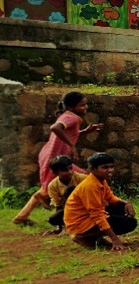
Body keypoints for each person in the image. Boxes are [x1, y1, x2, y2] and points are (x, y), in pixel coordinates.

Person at [13, 91, 100, 225]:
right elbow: (55, 128)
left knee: (50, 187)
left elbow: (68, 133)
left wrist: (85, 132)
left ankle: (22, 216)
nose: (86, 107)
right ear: (71, 107)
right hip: (55, 157)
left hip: (51, 155)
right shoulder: (71, 117)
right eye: (82, 105)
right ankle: (76, 215)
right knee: (83, 178)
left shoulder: (69, 116)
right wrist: (71, 145)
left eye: (86, 104)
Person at [63, 152, 137, 250]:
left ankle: (95, 236)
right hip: (80, 224)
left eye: (111, 167)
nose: (110, 170)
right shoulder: (90, 186)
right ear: (93, 169)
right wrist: (115, 239)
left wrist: (126, 203)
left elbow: (110, 197)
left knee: (121, 208)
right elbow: (97, 214)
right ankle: (83, 236)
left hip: (89, 217)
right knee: (128, 223)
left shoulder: (101, 180)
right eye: (105, 167)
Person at [44, 155, 79, 234]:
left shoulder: (82, 178)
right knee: (53, 219)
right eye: (65, 170)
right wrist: (60, 227)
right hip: (68, 210)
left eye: (70, 168)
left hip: (86, 207)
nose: (70, 172)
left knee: (70, 189)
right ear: (56, 173)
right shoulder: (52, 186)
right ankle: (66, 226)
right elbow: (58, 206)